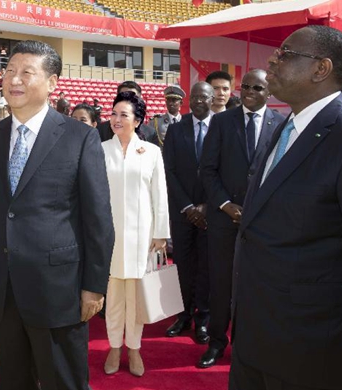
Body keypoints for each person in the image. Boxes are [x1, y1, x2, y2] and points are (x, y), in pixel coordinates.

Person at [230, 25, 342, 389]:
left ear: (321, 69)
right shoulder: (285, 128)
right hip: (255, 342)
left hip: (314, 354)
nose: (272, 58)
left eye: (285, 53)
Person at [0, 40, 114, 390]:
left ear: (52, 83)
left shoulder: (80, 138)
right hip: (2, 287)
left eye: (26, 73)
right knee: (12, 380)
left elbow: (98, 220)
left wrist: (93, 286)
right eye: (9, 71)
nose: (14, 80)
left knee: (62, 380)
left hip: (57, 290)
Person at [199, 69, 284, 369]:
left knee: (257, 286)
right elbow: (207, 170)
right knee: (221, 284)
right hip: (224, 220)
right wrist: (224, 205)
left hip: (262, 223)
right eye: (245, 85)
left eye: (256, 87)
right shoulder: (222, 121)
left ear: (269, 91)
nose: (249, 91)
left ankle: (248, 347)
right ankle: (216, 342)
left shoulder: (283, 124)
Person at [102, 91, 169, 377]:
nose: (116, 119)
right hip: (109, 235)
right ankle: (114, 347)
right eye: (113, 114)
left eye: (123, 115)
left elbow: (160, 194)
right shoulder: (100, 148)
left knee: (136, 297)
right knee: (114, 295)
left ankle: (134, 347)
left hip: (142, 236)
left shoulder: (151, 151)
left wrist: (161, 233)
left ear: (138, 120)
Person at [161, 81, 213, 345]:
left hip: (212, 212)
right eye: (194, 97)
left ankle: (203, 318)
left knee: (205, 267)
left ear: (212, 98)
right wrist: (188, 206)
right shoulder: (176, 130)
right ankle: (183, 315)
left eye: (203, 96)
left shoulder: (223, 127)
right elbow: (168, 170)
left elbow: (226, 171)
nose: (198, 101)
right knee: (182, 266)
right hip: (182, 212)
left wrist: (206, 205)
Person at [97, 81, 160, 146]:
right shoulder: (100, 131)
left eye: (133, 99)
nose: (127, 102)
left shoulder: (150, 134)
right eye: (123, 98)